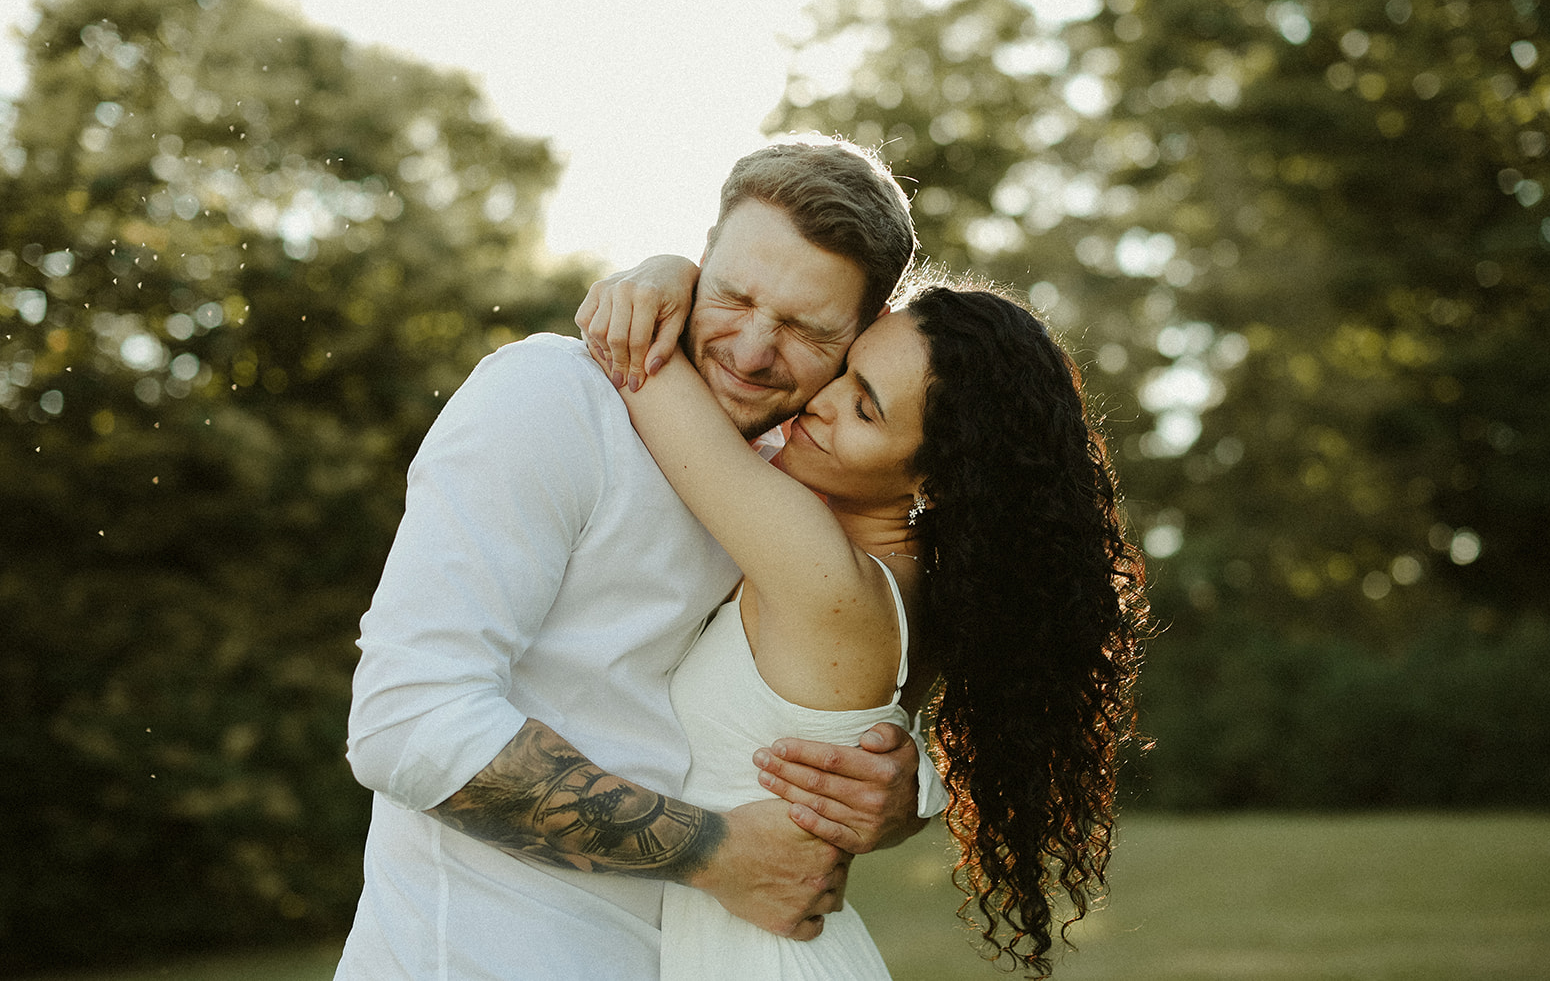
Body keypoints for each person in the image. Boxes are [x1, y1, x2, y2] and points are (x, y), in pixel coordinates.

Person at [335, 135, 942, 981]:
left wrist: (903, 790)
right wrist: (716, 853)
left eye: (806, 327)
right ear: (700, 263)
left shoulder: (792, 482)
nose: (754, 349)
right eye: (731, 295)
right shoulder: (548, 398)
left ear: (865, 334)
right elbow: (406, 724)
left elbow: (837, 671)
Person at [578, 267, 1149, 979]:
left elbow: (641, 365)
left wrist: (670, 276)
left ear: (935, 483)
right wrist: (920, 792)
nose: (819, 403)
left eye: (865, 410)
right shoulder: (921, 589)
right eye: (845, 371)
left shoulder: (820, 569)